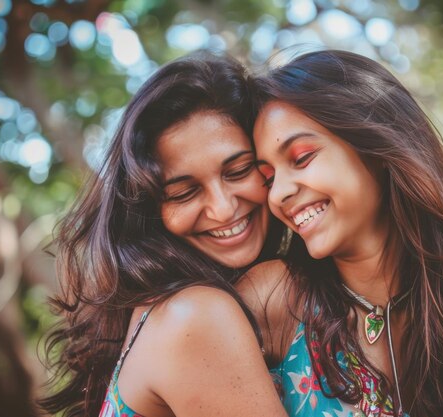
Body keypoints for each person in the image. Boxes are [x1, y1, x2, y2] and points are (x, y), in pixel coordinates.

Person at [239, 50, 443, 417]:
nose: (278, 194)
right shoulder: (272, 298)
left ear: (377, 146)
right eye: (269, 178)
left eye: (302, 157)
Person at [40, 53, 289, 417]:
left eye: (238, 170)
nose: (222, 209)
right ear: (147, 211)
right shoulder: (194, 316)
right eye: (183, 193)